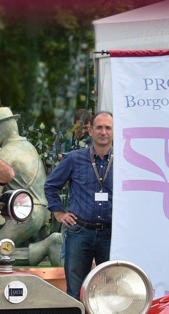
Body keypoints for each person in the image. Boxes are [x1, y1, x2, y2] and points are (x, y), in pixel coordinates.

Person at [45, 111, 115, 298]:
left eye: (108, 128)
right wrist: (59, 214)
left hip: (111, 234)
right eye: (99, 127)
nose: (103, 132)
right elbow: (51, 186)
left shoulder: (124, 161)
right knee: (75, 291)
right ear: (90, 131)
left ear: (114, 132)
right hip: (79, 231)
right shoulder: (74, 158)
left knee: (110, 291)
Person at [0, 106, 52, 251]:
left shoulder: (6, 153)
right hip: (42, 210)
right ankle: (42, 247)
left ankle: (46, 247)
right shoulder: (28, 146)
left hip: (24, 214)